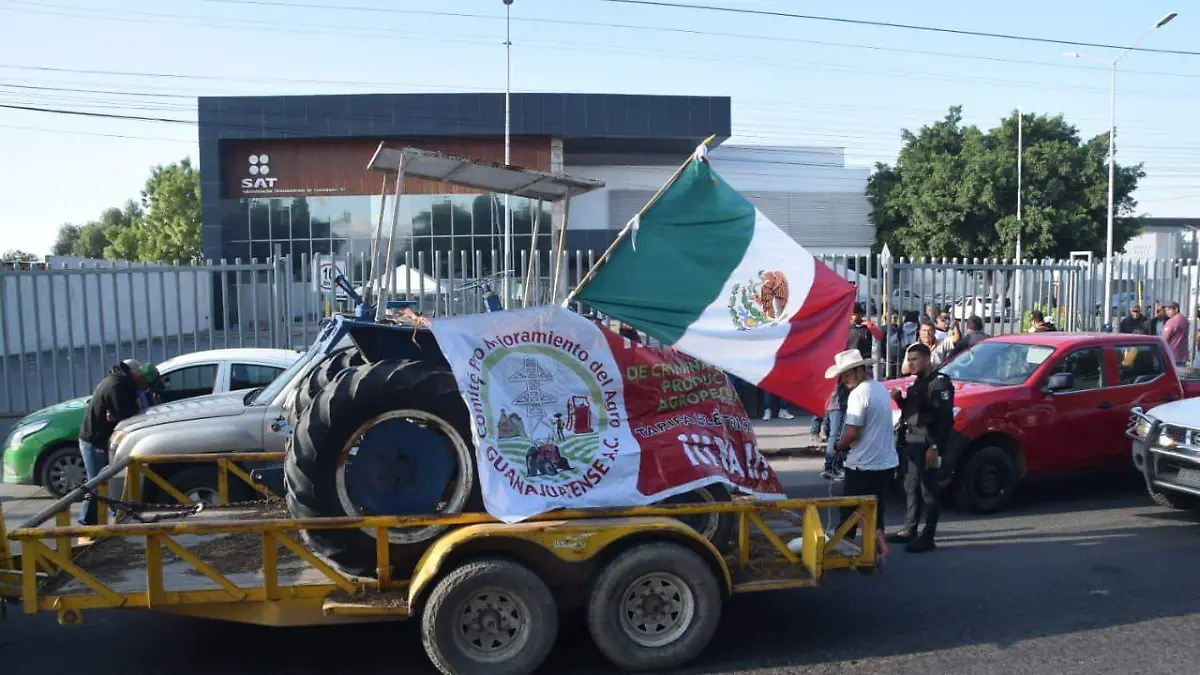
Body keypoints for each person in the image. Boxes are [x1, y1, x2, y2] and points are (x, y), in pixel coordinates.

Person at [827, 349, 899, 549]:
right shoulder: (878, 388)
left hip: (864, 464)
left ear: (859, 370)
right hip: (885, 463)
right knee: (876, 512)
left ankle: (843, 550)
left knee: (849, 512)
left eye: (847, 374)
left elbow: (852, 432)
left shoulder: (859, 394)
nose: (843, 380)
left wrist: (837, 446)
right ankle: (876, 550)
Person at [886, 343, 955, 553]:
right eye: (909, 359)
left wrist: (935, 447)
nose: (911, 363)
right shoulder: (919, 383)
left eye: (915, 359)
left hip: (927, 443)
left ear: (927, 359)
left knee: (929, 491)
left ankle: (928, 536)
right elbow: (914, 413)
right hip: (912, 442)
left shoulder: (939, 384)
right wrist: (899, 401)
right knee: (911, 486)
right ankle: (910, 529)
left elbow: (945, 420)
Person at [77, 359, 159, 526]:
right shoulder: (118, 386)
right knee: (96, 484)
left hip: (101, 440)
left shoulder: (121, 381)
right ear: (138, 376)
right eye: (145, 384)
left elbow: (121, 413)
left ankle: (110, 517)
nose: (144, 388)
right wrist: (121, 414)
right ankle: (86, 523)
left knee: (105, 482)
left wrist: (118, 415)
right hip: (94, 441)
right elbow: (126, 413)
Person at [1161, 301, 1190, 365]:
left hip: (1172, 355)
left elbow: (1164, 339)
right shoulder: (1185, 320)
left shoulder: (1171, 321)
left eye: (1169, 309)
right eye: (1166, 310)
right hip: (1182, 356)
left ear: (1176, 309)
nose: (1167, 312)